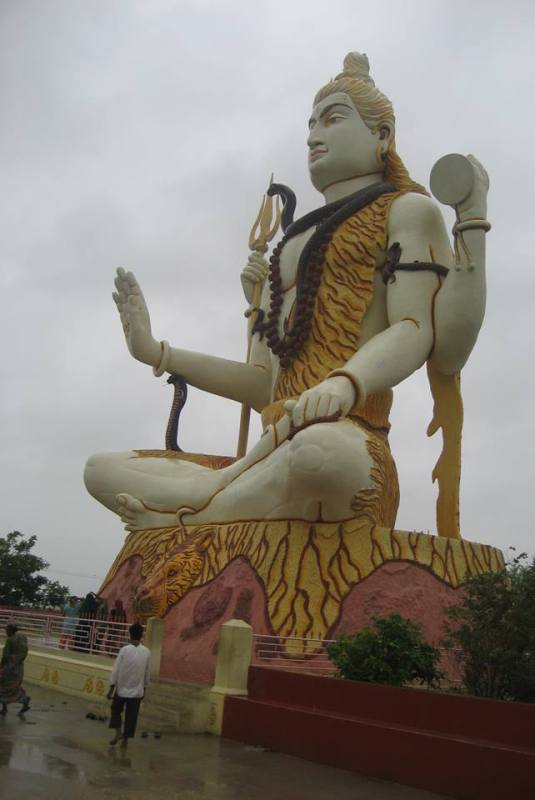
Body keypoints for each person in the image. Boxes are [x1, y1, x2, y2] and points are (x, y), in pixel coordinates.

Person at [84, 52, 490, 540]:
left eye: (333, 119)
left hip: (347, 438)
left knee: (321, 456)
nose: (314, 136)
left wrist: (345, 385)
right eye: (310, 125)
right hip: (269, 454)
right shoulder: (289, 246)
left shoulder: (406, 210)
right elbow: (263, 385)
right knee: (101, 470)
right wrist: (155, 352)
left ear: (382, 136)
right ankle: (217, 497)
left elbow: (417, 329)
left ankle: (195, 510)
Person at [107, 623, 150, 747]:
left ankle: (118, 732)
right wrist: (144, 688)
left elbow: (116, 670)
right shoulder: (147, 652)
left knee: (115, 710)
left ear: (130, 634)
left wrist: (111, 688)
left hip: (121, 689)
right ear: (141, 636)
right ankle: (125, 740)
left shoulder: (124, 650)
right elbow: (147, 673)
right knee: (132, 716)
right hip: (137, 691)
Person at [0, 624, 31, 715]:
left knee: (3, 686)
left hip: (9, 667)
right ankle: (24, 701)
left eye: (7, 630)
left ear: (10, 630)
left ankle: (4, 708)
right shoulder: (22, 638)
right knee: (14, 686)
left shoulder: (10, 640)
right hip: (18, 668)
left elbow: (5, 655)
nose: (6, 632)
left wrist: (1, 665)